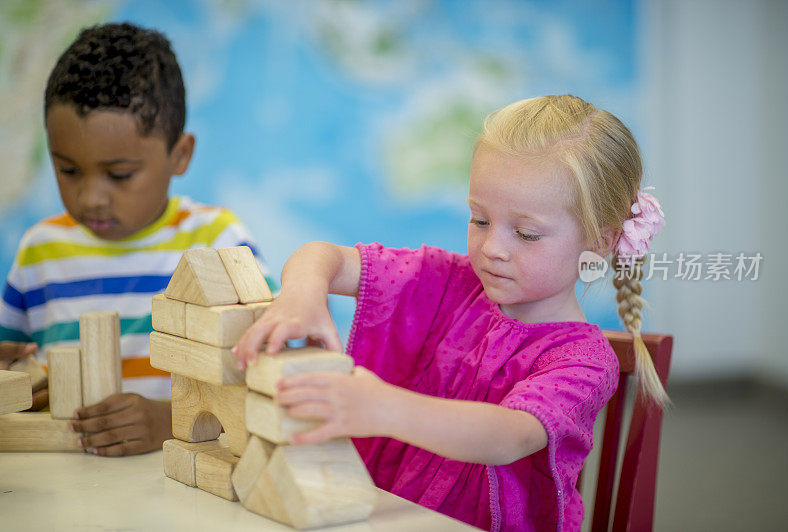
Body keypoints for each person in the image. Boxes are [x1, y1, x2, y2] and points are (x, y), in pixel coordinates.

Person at [234, 95, 666, 531]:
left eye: (526, 233)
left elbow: (508, 435)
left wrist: (386, 408)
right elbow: (323, 256)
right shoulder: (447, 282)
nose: (493, 248)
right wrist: (302, 294)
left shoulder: (584, 361)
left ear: (601, 241)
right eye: (479, 220)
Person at [0, 23, 273, 456]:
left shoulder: (219, 244)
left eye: (120, 175)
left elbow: (271, 381)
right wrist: (17, 385)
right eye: (68, 170)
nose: (91, 197)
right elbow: (13, 365)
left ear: (180, 155)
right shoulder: (39, 251)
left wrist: (170, 420)